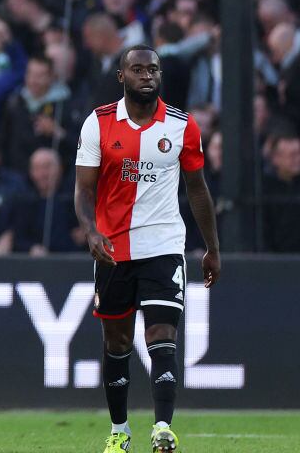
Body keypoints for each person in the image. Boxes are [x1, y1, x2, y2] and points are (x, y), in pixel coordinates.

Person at [74, 45, 220, 453]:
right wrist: (90, 230)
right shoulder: (98, 123)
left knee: (161, 334)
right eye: (137, 69)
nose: (147, 76)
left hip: (164, 245)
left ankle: (162, 428)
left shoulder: (181, 126)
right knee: (117, 342)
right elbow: (83, 190)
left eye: (153, 69)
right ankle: (120, 430)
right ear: (121, 76)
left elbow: (197, 189)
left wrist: (212, 246)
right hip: (113, 248)